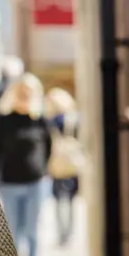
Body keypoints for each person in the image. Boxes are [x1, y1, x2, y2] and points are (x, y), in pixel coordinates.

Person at [0, 72, 51, 256]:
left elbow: (48, 146)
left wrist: (43, 170)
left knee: (32, 229)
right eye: (22, 92)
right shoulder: (4, 120)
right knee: (14, 230)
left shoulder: (39, 119)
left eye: (29, 93)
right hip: (10, 183)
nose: (25, 96)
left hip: (35, 181)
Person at [45, 87, 82, 247]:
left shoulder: (51, 121)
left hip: (58, 164)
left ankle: (63, 234)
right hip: (72, 164)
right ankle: (69, 233)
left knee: (60, 201)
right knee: (71, 201)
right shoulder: (74, 118)